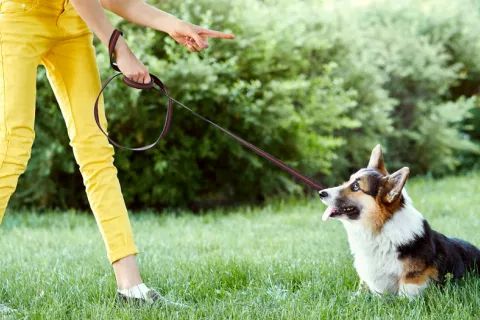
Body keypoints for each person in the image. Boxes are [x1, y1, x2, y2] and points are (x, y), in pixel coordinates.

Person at [0, 0, 234, 307]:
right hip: (17, 18)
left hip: (72, 24)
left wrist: (170, 23)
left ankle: (131, 290)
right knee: (12, 144)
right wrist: (119, 48)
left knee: (96, 148)